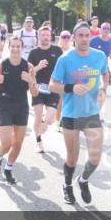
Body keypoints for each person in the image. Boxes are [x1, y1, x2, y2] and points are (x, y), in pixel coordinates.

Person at [49, 21, 110, 205]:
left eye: (87, 35)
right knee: (72, 157)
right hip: (71, 114)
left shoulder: (99, 56)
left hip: (91, 113)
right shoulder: (65, 59)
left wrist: (103, 89)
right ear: (74, 38)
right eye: (80, 35)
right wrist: (71, 87)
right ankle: (67, 185)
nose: (84, 39)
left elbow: (105, 74)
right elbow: (52, 85)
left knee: (95, 157)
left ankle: (82, 180)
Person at [0, 35, 40, 184]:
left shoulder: (28, 67)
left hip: (21, 106)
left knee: (18, 143)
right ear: (9, 47)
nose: (16, 49)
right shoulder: (1, 65)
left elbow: (35, 93)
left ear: (22, 48)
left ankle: (8, 169)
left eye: (19, 46)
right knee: (7, 143)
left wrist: (30, 81)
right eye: (13, 46)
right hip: (4, 105)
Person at [28, 26, 63, 154]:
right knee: (37, 117)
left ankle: (44, 120)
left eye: (48, 35)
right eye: (43, 35)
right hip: (38, 88)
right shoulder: (33, 53)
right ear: (38, 36)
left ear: (51, 36)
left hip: (53, 88)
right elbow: (29, 73)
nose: (45, 37)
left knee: (49, 120)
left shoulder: (57, 50)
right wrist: (38, 67)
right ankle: (38, 142)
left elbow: (63, 67)